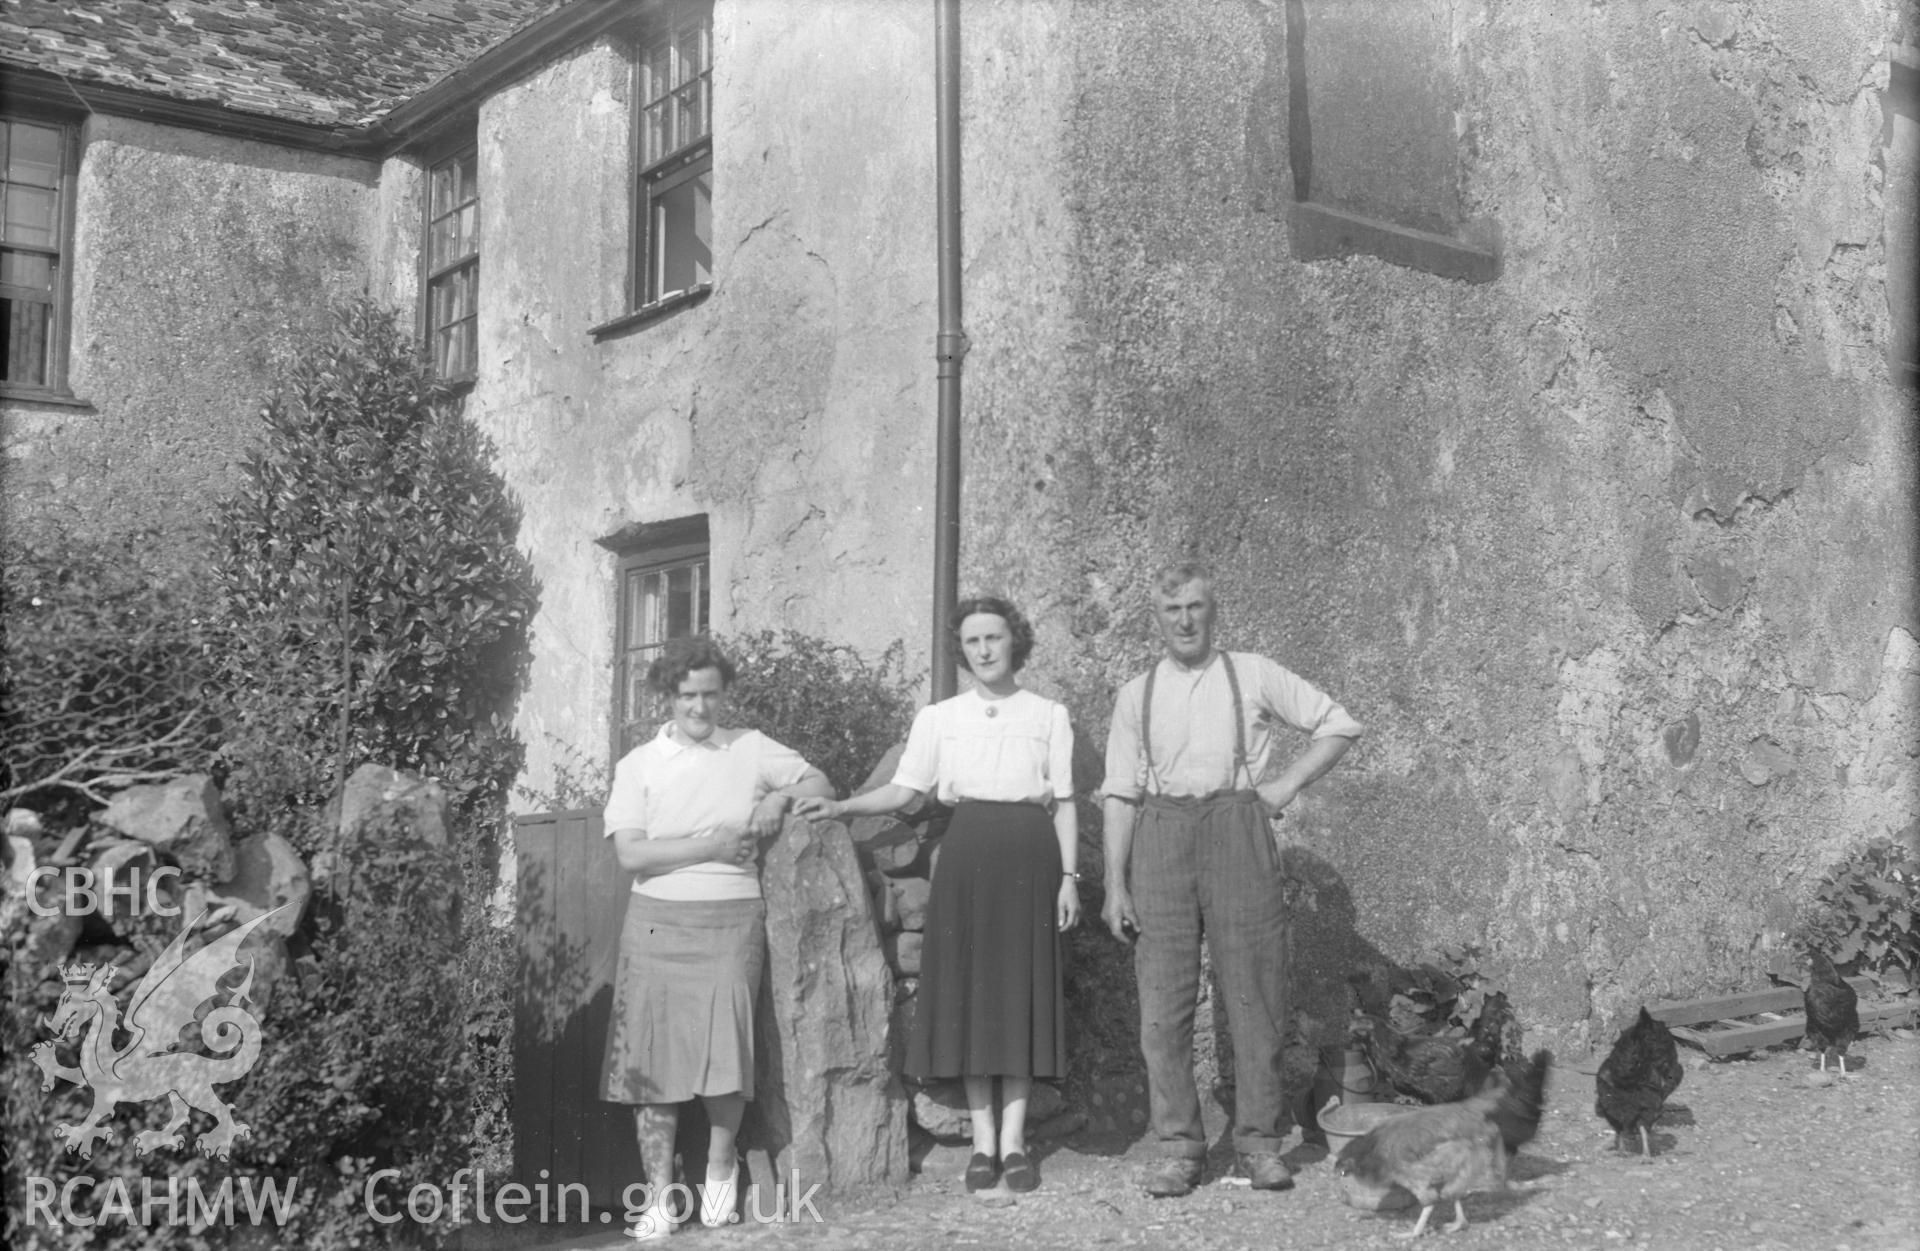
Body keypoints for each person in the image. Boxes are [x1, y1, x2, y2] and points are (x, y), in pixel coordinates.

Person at [795, 596, 1079, 1193]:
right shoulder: (940, 717)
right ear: (963, 650)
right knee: (975, 995)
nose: (984, 650)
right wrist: (843, 805)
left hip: (1032, 854)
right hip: (969, 851)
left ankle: (1015, 1143)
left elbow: (1067, 803)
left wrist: (1069, 879)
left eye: (994, 638)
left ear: (1014, 642)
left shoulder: (1048, 714)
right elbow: (904, 790)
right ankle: (982, 1144)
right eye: (973, 641)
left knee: (1022, 991)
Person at [1100, 562, 1363, 1198]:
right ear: (1156, 620)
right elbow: (1119, 792)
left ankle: (1259, 1143)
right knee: (1161, 1006)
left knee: (1256, 995)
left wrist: (1283, 785)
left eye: (1194, 607)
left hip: (1238, 830)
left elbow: (1340, 723)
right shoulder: (1137, 693)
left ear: (1212, 611)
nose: (1185, 620)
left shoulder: (1253, 673)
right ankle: (1179, 1147)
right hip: (1159, 837)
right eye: (1172, 611)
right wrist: (1115, 881)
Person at [599, 637, 834, 1241]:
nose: (699, 707)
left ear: (723, 693)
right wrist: (711, 845)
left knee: (725, 1046)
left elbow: (822, 783)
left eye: (709, 694)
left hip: (731, 914)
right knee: (650, 1055)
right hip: (654, 917)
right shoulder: (639, 764)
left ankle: (720, 1168)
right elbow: (631, 852)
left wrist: (779, 794)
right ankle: (657, 1197)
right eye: (686, 696)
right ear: (668, 697)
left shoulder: (751, 749)